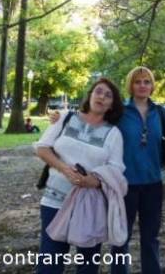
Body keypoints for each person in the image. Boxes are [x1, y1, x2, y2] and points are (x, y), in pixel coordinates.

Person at [34, 78, 125, 273]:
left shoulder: (114, 133)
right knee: (50, 262)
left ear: (111, 105)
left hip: (90, 205)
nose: (102, 97)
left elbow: (116, 170)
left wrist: (93, 181)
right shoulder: (66, 117)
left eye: (108, 95)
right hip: (54, 201)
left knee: (88, 265)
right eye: (99, 91)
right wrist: (64, 168)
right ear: (90, 94)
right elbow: (42, 148)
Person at [111, 66, 165, 274]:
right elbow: (95, 127)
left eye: (147, 82)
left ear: (152, 86)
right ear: (131, 85)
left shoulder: (160, 112)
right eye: (138, 82)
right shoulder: (119, 111)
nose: (142, 86)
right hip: (124, 185)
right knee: (121, 238)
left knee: (150, 239)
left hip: (153, 185)